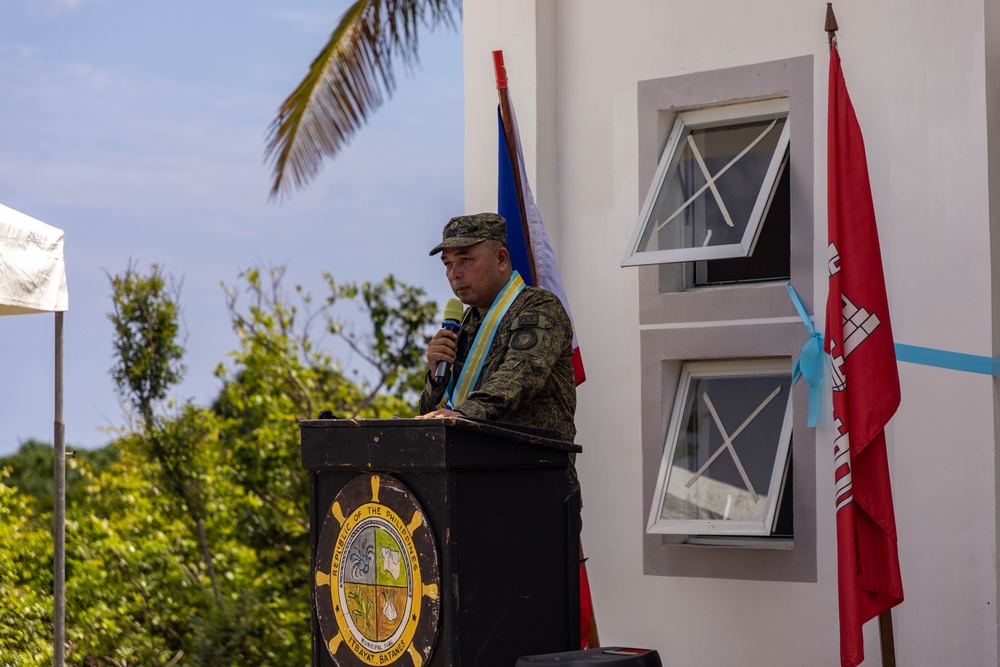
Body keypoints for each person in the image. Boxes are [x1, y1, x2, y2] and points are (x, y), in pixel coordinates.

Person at [415, 212, 576, 444]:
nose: (454, 274)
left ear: (501, 259)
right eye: (448, 264)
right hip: (468, 467)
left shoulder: (539, 306)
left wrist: (463, 414)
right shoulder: (463, 325)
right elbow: (429, 414)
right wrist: (435, 378)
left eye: (465, 260)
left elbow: (519, 375)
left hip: (533, 469)